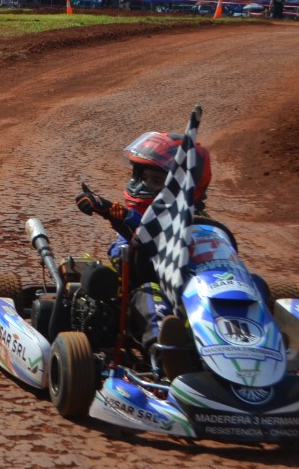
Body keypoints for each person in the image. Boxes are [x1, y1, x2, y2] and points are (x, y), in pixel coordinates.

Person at [74, 132, 216, 362]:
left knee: (251, 286)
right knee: (151, 296)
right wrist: (115, 215)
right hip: (148, 286)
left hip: (197, 291)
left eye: (157, 181)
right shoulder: (136, 219)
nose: (145, 185)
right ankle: (165, 354)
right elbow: (130, 241)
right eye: (144, 178)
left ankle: (268, 342)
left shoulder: (201, 220)